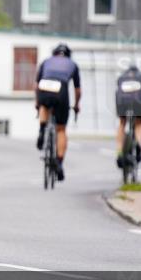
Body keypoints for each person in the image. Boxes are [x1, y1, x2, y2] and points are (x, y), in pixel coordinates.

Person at [35, 43, 81, 181]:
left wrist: (37, 104)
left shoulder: (46, 62)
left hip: (45, 85)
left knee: (44, 105)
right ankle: (59, 163)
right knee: (61, 129)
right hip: (61, 89)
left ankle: (42, 130)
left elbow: (36, 85)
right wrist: (76, 105)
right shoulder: (72, 64)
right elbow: (78, 90)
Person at [114, 63, 141, 168]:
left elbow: (118, 89)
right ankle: (138, 144)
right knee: (139, 124)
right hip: (137, 101)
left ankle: (120, 152)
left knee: (122, 123)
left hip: (122, 101)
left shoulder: (121, 77)